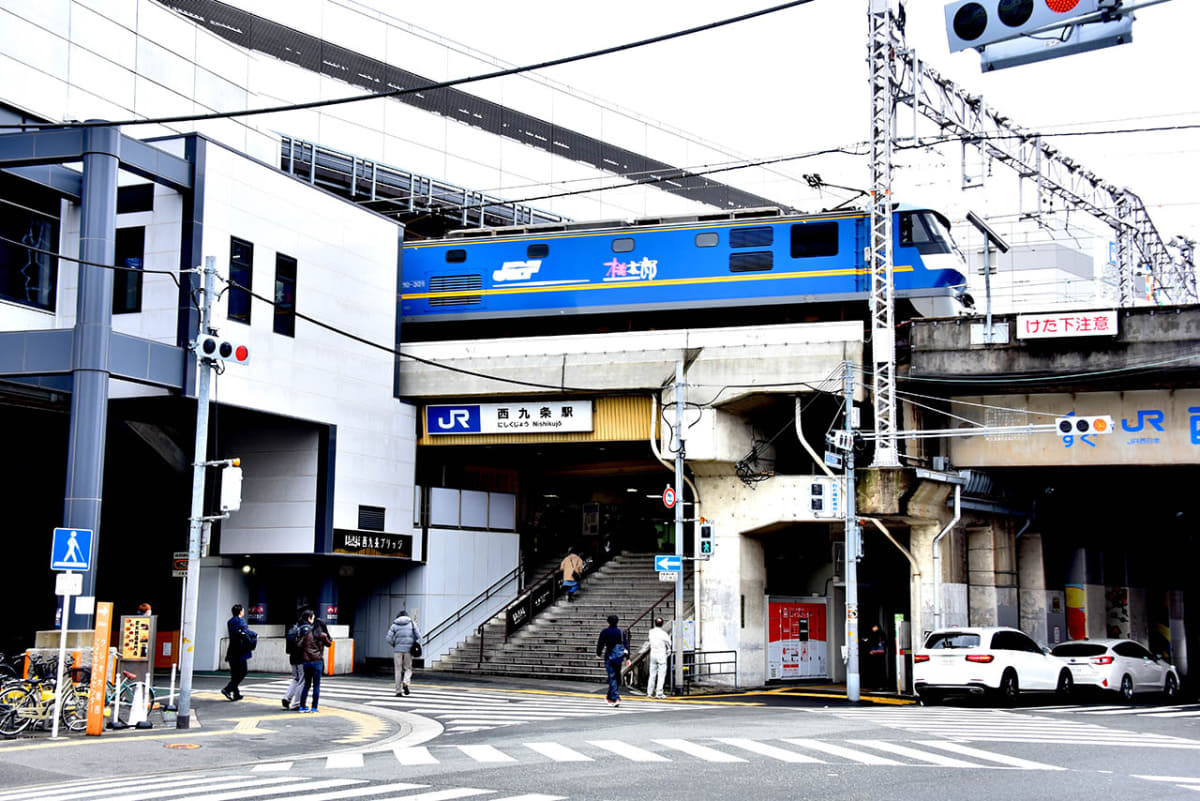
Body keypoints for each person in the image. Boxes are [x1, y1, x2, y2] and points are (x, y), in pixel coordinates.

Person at [297, 608, 332, 713]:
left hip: (306, 662)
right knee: (316, 685)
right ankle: (314, 707)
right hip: (317, 662)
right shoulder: (322, 635)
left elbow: (299, 645)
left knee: (306, 684)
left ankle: (302, 706)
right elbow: (329, 644)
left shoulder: (307, 633)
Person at [222, 604, 255, 701]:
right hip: (240, 651)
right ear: (240, 612)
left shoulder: (230, 621)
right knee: (243, 672)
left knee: (234, 673)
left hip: (232, 650)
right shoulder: (241, 621)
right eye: (243, 610)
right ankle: (228, 689)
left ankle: (236, 694)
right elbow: (245, 632)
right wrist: (255, 635)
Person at [385, 609, 421, 696]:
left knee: (398, 670)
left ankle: (398, 691)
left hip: (397, 651)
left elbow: (388, 638)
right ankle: (405, 682)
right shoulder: (412, 623)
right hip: (408, 650)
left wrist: (395, 645)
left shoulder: (394, 625)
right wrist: (412, 642)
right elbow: (418, 635)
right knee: (408, 669)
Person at [596, 614, 629, 707]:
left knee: (612, 677)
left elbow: (600, 643)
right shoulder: (621, 632)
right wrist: (628, 657)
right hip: (619, 657)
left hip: (609, 656)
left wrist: (598, 653)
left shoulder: (605, 631)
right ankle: (610, 697)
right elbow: (626, 645)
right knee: (616, 678)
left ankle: (615, 698)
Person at [281, 608, 310, 710]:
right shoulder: (307, 628)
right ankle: (297, 703)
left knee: (296, 678)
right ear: (309, 618)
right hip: (302, 658)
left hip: (293, 657)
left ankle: (287, 698)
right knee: (303, 680)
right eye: (313, 617)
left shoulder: (295, 627)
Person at [639, 617, 672, 699]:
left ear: (655, 623)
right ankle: (659, 693)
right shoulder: (664, 634)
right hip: (661, 655)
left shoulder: (651, 632)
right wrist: (668, 651)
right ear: (662, 624)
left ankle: (649, 692)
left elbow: (649, 642)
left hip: (653, 654)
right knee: (661, 675)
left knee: (652, 674)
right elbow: (668, 644)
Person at [864, 623, 888, 691]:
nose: (872, 628)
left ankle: (876, 685)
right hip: (881, 653)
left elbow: (873, 642)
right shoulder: (882, 634)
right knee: (881, 670)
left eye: (873, 627)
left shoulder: (875, 634)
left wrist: (867, 641)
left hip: (875, 653)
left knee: (875, 670)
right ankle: (883, 685)